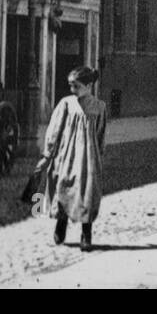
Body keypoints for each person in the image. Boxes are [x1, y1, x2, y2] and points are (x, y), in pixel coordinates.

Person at [40, 65, 108, 252]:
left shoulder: (99, 107)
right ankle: (61, 223)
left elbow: (101, 134)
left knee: (87, 192)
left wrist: (99, 154)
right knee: (64, 186)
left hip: (89, 157)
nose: (72, 90)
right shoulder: (66, 104)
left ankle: (86, 234)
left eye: (76, 86)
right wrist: (49, 151)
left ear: (88, 85)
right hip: (67, 154)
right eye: (70, 86)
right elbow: (54, 130)